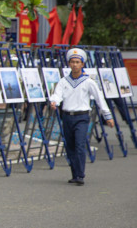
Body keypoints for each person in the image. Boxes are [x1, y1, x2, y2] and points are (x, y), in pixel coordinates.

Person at [49, 48, 114, 185]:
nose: (74, 64)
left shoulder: (88, 82)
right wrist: (54, 101)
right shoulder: (63, 81)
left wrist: (107, 116)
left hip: (82, 117)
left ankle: (80, 175)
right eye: (72, 62)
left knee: (79, 144)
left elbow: (99, 99)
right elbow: (57, 94)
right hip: (67, 117)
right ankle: (75, 174)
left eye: (77, 62)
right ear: (69, 63)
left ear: (82, 64)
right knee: (70, 146)